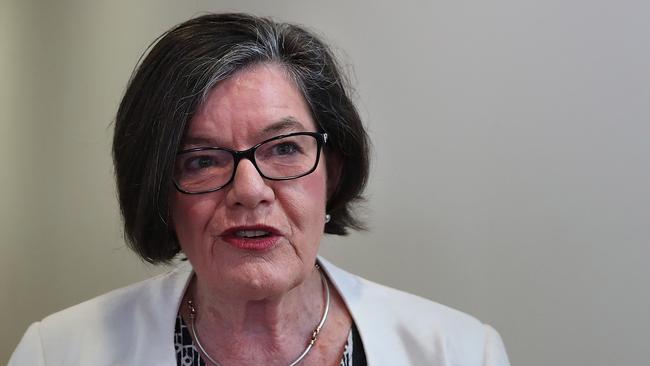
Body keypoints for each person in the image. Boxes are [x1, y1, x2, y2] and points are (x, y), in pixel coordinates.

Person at [9, 13, 510, 366]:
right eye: (202, 160)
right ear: (160, 188)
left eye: (284, 149)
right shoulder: (57, 353)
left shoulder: (460, 352)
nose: (249, 191)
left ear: (331, 171)